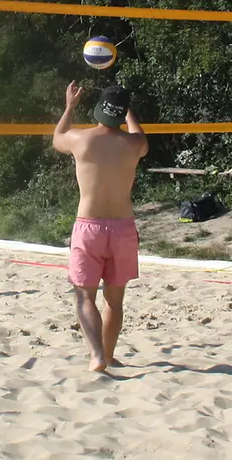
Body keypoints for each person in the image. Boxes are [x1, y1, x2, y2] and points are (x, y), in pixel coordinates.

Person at [52, 82, 147, 373]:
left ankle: (96, 355)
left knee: (84, 296)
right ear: (122, 114)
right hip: (122, 228)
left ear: (99, 111)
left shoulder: (82, 139)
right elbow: (138, 133)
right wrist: (127, 108)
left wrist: (69, 106)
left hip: (90, 226)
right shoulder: (134, 145)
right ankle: (107, 353)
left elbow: (57, 138)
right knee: (114, 301)